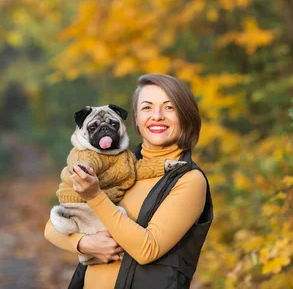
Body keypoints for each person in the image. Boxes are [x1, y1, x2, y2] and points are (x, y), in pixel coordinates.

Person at [44, 74, 213, 288]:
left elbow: (147, 249)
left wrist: (95, 196)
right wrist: (84, 243)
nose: (157, 116)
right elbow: (51, 227)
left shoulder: (189, 179)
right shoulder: (119, 166)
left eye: (169, 108)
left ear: (186, 116)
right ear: (135, 119)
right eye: (147, 108)